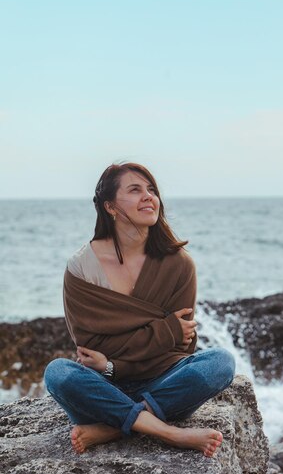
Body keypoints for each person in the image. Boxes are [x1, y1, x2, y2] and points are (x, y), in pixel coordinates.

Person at [44, 162, 235, 457]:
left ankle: (110, 428)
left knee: (220, 362)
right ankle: (167, 431)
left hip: (163, 382)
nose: (149, 196)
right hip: (102, 388)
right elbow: (93, 347)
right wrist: (164, 330)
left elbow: (183, 344)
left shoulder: (178, 264)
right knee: (58, 373)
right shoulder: (82, 267)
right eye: (135, 190)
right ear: (110, 206)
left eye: (152, 190)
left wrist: (114, 363)